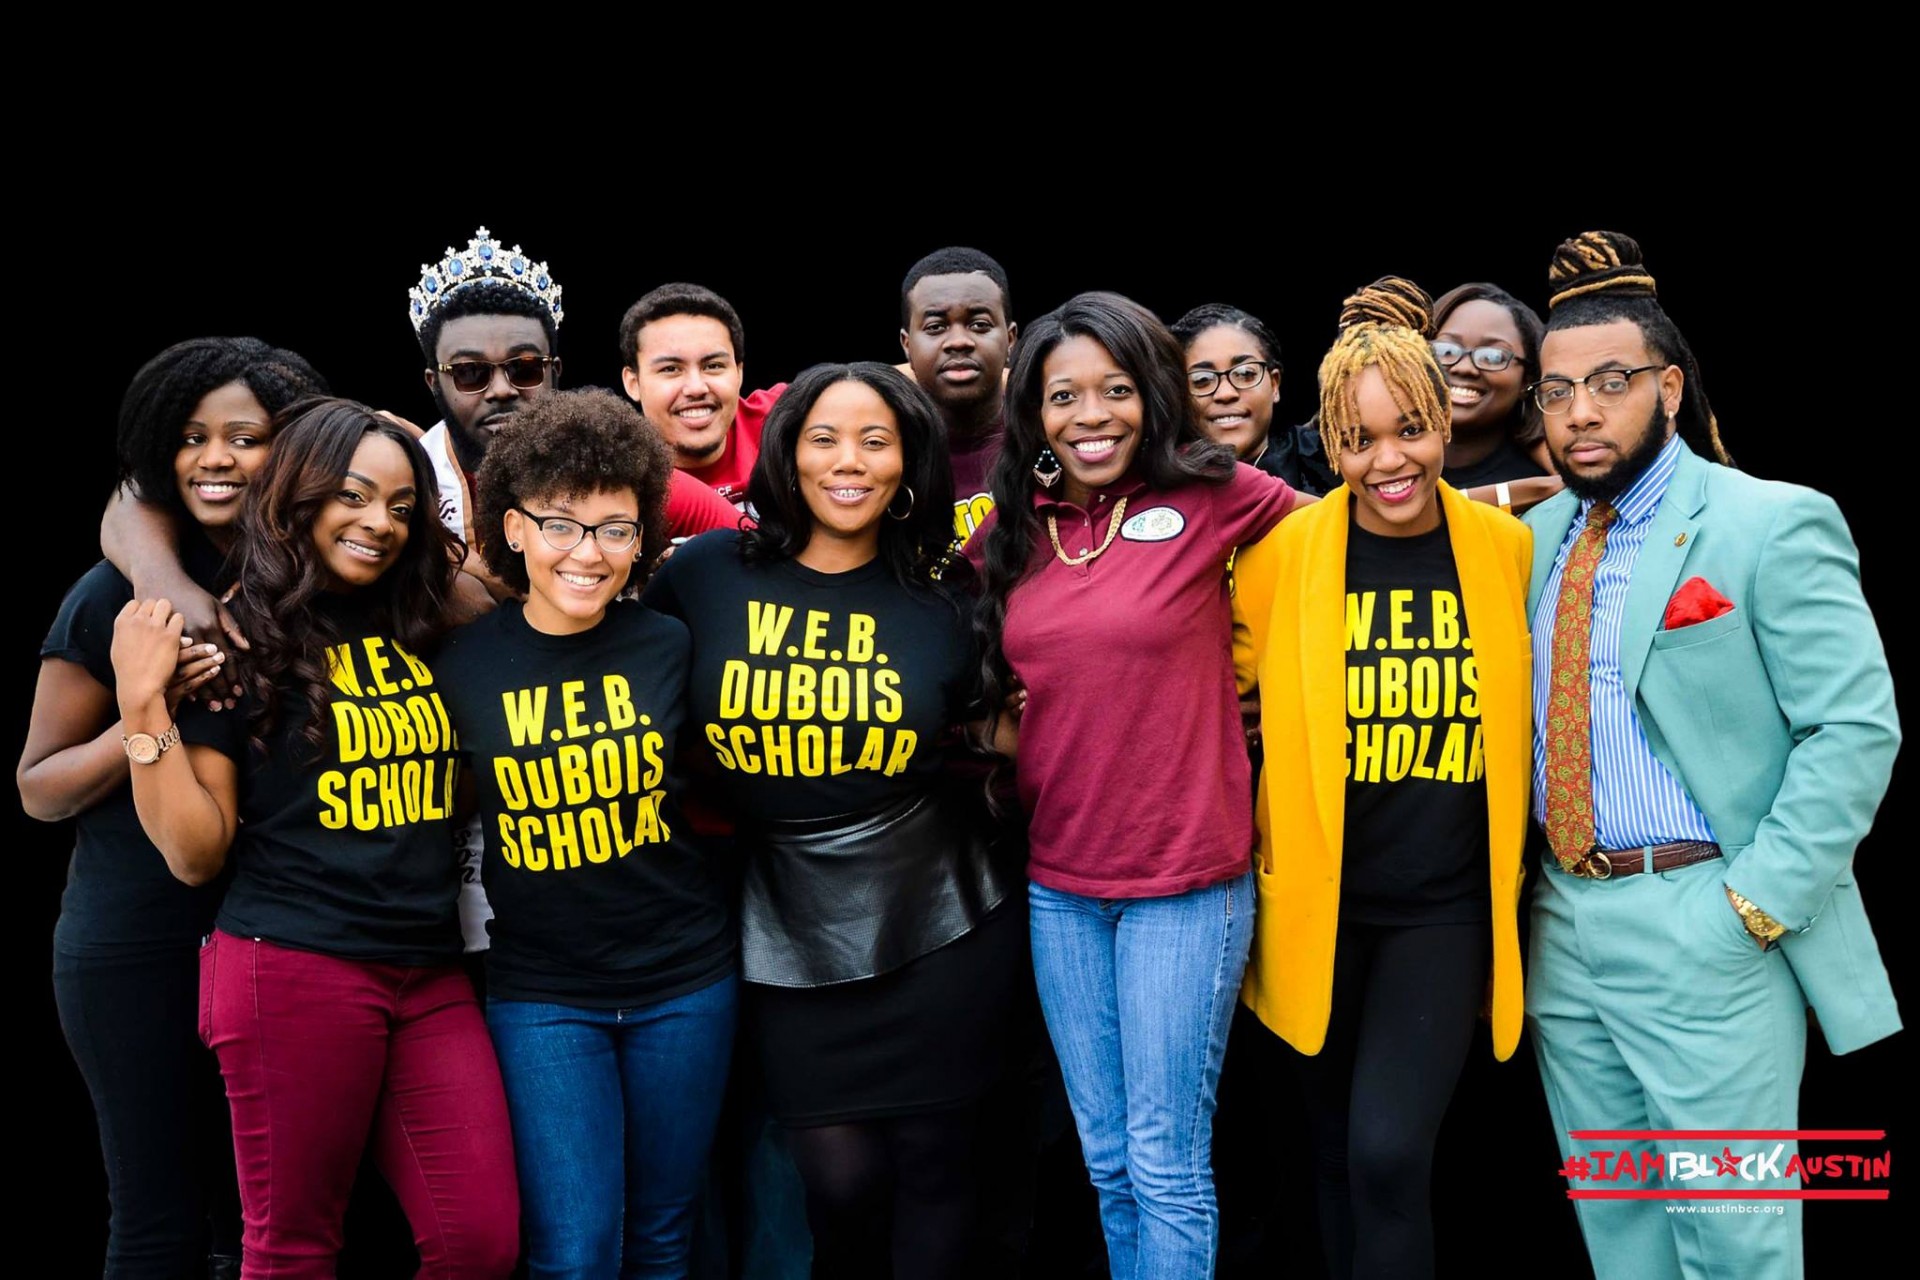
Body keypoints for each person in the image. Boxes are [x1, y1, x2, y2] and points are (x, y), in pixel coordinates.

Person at [1522, 231, 1900, 1279]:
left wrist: (1754, 905)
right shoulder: (1536, 537)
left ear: (1670, 386)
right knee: (1624, 1234)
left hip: (1707, 922)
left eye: (1610, 382)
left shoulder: (1769, 522)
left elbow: (1856, 727)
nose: (1581, 411)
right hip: (1563, 926)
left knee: (1736, 1241)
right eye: (1557, 392)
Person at [109, 399, 520, 1279]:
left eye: (401, 507)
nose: (379, 522)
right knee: (292, 1249)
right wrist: (143, 705)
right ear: (298, 494)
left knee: (480, 1242)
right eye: (354, 495)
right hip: (292, 965)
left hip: (427, 967)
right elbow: (195, 852)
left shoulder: (427, 616)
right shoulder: (237, 637)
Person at [645, 362, 1021, 1280]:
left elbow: (1012, 718)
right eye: (823, 438)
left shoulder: (947, 588)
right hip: (786, 919)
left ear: (907, 463)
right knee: (837, 1184)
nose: (848, 462)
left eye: (875, 440)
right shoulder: (702, 576)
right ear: (786, 452)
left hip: (943, 913)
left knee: (939, 1174)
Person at [972, 291, 1303, 1278]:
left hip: (1185, 886)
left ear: (1151, 393)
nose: (1092, 414)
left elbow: (1345, 550)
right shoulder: (1014, 527)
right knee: (1106, 1160)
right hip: (1060, 884)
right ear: (1032, 410)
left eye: (1116, 389)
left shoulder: (1218, 492)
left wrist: (1257, 691)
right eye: (1064, 394)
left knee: (1164, 1162)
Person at [1233, 278, 1533, 1278]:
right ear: (1330, 442)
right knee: (1321, 1160)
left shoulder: (1506, 549)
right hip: (1313, 908)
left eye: (1408, 428)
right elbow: (1218, 701)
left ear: (1442, 419)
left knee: (1389, 1153)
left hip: (1442, 910)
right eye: (1358, 439)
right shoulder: (1284, 552)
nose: (1387, 459)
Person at [20, 336, 325, 1279]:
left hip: (283, 940)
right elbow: (38, 787)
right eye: (192, 437)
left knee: (264, 1224)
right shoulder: (113, 591)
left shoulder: (322, 582)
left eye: (247, 435)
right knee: (155, 1224)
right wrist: (147, 705)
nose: (217, 458)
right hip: (134, 942)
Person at [434, 389, 736, 1277]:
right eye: (561, 524)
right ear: (513, 528)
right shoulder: (459, 665)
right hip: (542, 994)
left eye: (615, 529)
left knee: (663, 1239)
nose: (588, 553)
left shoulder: (672, 644)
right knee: (574, 1250)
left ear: (642, 539)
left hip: (685, 982)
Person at [619, 282, 787, 512]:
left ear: (739, 372)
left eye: (713, 366)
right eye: (670, 369)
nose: (696, 388)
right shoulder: (616, 477)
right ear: (633, 383)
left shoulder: (788, 418)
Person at [898, 246, 1018, 545]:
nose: (959, 342)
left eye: (979, 325)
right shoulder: (879, 443)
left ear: (1011, 339)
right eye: (936, 327)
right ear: (907, 345)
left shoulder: (1047, 430)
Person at [1428, 283, 1564, 510]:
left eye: (1493, 357)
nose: (1464, 368)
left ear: (1527, 380)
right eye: (1446, 351)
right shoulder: (1373, 460)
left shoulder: (1548, 487)